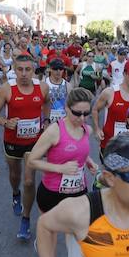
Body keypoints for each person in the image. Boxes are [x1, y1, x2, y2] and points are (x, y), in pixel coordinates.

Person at [0, 54, 50, 240]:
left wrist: (46, 119)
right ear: (14, 70)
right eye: (20, 69)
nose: (23, 74)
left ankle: (26, 219)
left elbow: (46, 102)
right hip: (13, 141)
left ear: (33, 70)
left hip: (34, 141)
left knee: (29, 181)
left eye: (28, 69)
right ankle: (16, 194)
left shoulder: (42, 87)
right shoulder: (6, 89)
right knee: (15, 175)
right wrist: (5, 122)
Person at [28, 88, 97, 216]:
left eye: (86, 113)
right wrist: (60, 168)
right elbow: (31, 161)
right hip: (53, 193)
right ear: (66, 108)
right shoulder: (54, 131)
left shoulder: (87, 130)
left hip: (79, 191)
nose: (82, 118)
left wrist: (88, 161)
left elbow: (78, 150)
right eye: (77, 113)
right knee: (49, 228)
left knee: (76, 228)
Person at [92, 60, 129, 160]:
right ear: (124, 74)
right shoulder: (110, 92)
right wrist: (97, 129)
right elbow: (95, 110)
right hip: (110, 145)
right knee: (108, 170)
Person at [45, 58, 69, 124]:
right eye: (55, 69)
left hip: (62, 121)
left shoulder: (68, 85)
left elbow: (70, 105)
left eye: (61, 69)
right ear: (50, 69)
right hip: (46, 120)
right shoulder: (44, 83)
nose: (58, 71)